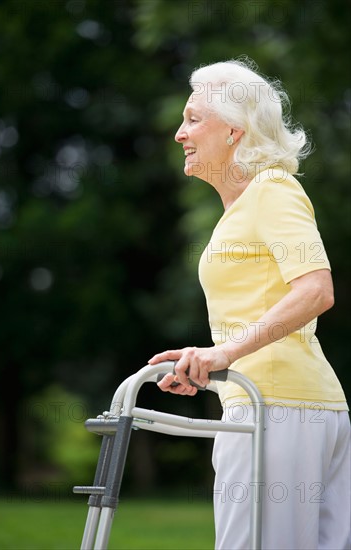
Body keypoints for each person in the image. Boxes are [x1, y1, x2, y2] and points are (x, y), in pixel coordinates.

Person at [148, 58, 350, 550]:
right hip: (285, 404)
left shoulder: (273, 189)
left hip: (277, 407)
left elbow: (316, 290)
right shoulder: (241, 209)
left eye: (194, 119)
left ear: (235, 131)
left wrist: (224, 355)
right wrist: (210, 364)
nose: (180, 134)